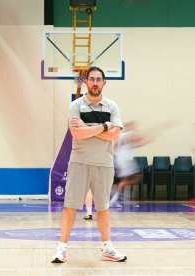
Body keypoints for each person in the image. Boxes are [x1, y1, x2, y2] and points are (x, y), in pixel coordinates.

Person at [51, 66, 126, 263]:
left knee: (103, 207)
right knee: (70, 206)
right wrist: (104, 127)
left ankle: (107, 248)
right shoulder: (76, 105)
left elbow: (115, 135)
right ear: (86, 82)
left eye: (98, 79)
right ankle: (61, 249)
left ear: (104, 83)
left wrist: (90, 128)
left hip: (104, 163)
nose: (94, 82)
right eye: (91, 79)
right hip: (79, 162)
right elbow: (77, 134)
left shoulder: (112, 107)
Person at [110, 121, 142, 208]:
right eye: (132, 126)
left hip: (120, 160)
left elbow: (115, 147)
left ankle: (122, 198)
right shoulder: (127, 135)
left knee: (125, 180)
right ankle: (114, 198)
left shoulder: (120, 136)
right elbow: (137, 141)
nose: (134, 127)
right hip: (124, 161)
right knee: (135, 178)